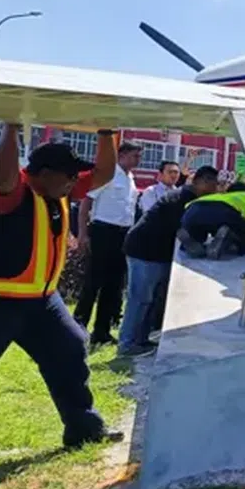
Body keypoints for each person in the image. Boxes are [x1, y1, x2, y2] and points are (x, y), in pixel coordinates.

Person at [0, 126, 124, 468]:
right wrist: (10, 128)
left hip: (39, 303)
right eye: (69, 176)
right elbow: (2, 171)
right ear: (45, 175)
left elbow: (104, 174)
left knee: (70, 349)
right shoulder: (8, 193)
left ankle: (83, 428)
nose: (74, 182)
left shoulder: (58, 190)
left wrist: (106, 130)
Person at [117, 166, 220, 357]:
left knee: (150, 299)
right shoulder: (181, 199)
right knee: (139, 299)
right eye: (212, 185)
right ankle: (127, 344)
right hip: (144, 250)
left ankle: (141, 340)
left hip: (158, 252)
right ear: (200, 182)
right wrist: (199, 250)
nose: (215, 189)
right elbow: (183, 231)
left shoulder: (191, 199)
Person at [75, 141, 141, 346]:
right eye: (134, 156)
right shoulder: (108, 175)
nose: (138, 160)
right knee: (93, 282)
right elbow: (86, 203)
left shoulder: (130, 178)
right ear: (121, 155)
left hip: (123, 234)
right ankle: (78, 328)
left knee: (113, 284)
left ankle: (101, 331)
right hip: (103, 230)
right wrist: (83, 234)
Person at [177, 182, 245, 259]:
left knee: (200, 232)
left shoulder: (218, 196)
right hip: (223, 213)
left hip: (190, 213)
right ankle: (229, 237)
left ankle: (193, 240)